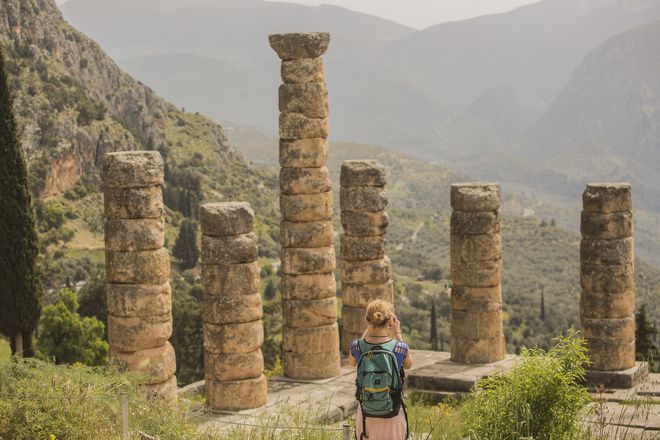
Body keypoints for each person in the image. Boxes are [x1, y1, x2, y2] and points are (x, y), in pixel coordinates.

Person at [348, 299, 413, 440]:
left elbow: (351, 362)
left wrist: (368, 330)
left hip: (366, 416)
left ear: (367, 320)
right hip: (393, 414)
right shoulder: (399, 348)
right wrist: (397, 332)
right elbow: (408, 364)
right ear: (390, 321)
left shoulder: (357, 346)